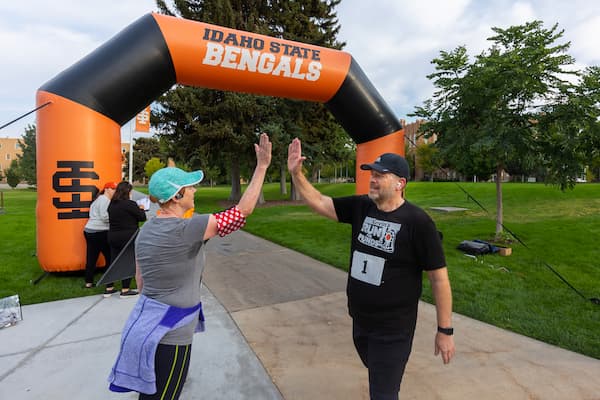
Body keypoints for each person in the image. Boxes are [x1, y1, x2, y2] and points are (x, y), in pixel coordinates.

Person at [287, 138, 455, 400]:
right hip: (361, 321)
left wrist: (445, 330)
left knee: (383, 393)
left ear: (400, 183)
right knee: (377, 375)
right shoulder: (362, 207)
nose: (372, 180)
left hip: (393, 329)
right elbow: (319, 201)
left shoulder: (418, 222)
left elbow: (439, 279)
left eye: (380, 176)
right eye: (372, 175)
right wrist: (296, 174)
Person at [108, 133, 272, 399]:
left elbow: (140, 282)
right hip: (171, 335)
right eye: (190, 187)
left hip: (146, 327)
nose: (195, 190)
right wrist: (262, 166)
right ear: (176, 196)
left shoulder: (147, 229)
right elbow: (242, 212)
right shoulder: (187, 229)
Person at [106, 181, 147, 298]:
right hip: (128, 236)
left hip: (113, 236)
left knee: (113, 261)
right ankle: (125, 289)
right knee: (128, 261)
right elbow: (142, 217)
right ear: (128, 192)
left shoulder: (112, 204)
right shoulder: (130, 204)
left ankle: (109, 287)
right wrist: (142, 209)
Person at [83, 181, 117, 288]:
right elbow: (104, 217)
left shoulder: (98, 199)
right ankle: (109, 284)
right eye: (113, 189)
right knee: (110, 258)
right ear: (106, 189)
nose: (115, 191)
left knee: (91, 257)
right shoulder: (105, 200)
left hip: (89, 230)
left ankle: (88, 282)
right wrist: (116, 219)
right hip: (100, 231)